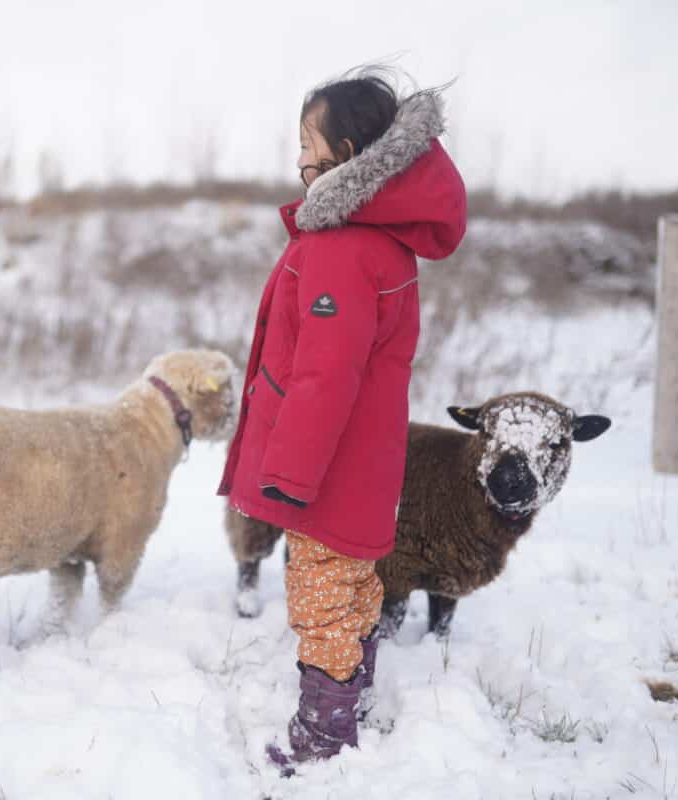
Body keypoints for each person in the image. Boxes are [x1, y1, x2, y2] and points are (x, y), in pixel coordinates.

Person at [216, 70, 467, 772]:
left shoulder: (340, 249)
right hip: (364, 464)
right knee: (355, 586)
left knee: (321, 597)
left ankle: (323, 737)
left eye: (307, 142)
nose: (298, 155)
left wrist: (291, 475)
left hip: (325, 473)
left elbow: (325, 377)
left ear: (345, 152)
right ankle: (355, 699)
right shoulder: (381, 242)